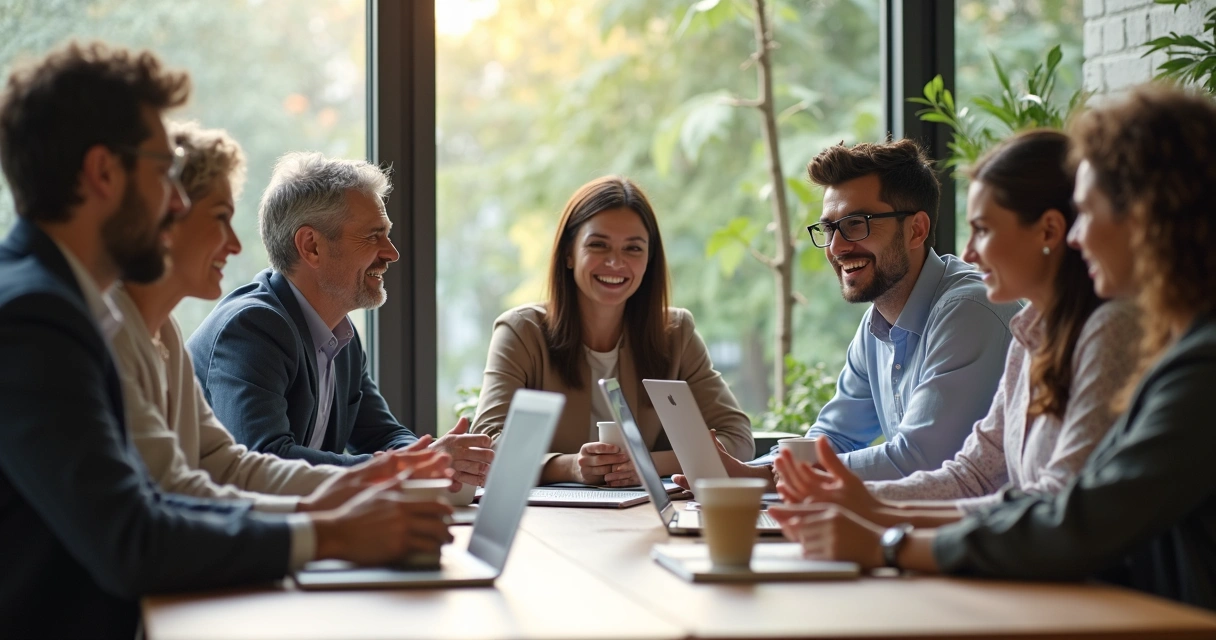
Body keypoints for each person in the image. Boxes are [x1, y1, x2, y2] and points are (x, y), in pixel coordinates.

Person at [0, 42, 453, 638]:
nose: (177, 202)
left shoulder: (70, 305)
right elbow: (134, 535)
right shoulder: (35, 318)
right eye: (165, 173)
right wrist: (331, 530)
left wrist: (347, 493)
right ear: (103, 172)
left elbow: (199, 478)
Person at [771, 84, 1216, 611]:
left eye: (1089, 214)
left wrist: (889, 541)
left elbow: (1076, 519)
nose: (1078, 237)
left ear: (1147, 219)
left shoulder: (1179, 353)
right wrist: (867, 508)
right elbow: (986, 479)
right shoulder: (1040, 330)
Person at [773, 130, 1140, 527]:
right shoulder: (1030, 334)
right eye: (830, 229)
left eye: (982, 229)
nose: (967, 252)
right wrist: (851, 502)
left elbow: (1058, 509)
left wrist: (892, 542)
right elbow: (972, 476)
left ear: (1049, 231)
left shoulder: (1107, 329)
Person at [112, 120, 437, 511]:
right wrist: (389, 477)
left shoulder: (164, 332)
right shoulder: (249, 326)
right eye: (373, 235)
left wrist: (423, 463)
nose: (234, 244)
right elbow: (256, 461)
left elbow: (228, 468)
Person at [677, 138, 1021, 490]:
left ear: (916, 229)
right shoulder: (877, 324)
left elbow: (921, 461)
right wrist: (748, 472)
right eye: (829, 228)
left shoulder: (969, 311)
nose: (837, 247)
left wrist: (765, 477)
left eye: (857, 223)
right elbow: (834, 437)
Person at [188, 152, 493, 487]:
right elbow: (265, 461)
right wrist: (409, 467)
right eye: (373, 235)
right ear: (312, 246)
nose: (391, 252)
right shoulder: (252, 328)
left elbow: (383, 435)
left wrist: (430, 460)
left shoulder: (338, 334)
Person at [470, 176, 753, 487]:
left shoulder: (675, 334)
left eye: (633, 248)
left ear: (649, 260)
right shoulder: (521, 332)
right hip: (547, 521)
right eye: (598, 245)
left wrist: (645, 463)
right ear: (568, 253)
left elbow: (737, 438)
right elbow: (485, 447)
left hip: (642, 516)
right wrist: (570, 467)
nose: (616, 262)